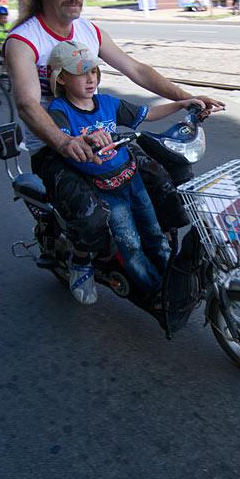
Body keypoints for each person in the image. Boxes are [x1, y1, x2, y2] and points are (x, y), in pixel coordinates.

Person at [3, 0, 224, 303]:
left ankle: (160, 251)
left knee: (166, 181)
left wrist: (185, 97)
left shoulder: (88, 30)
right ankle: (81, 260)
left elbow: (136, 69)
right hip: (56, 149)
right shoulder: (23, 41)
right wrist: (63, 142)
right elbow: (27, 104)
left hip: (102, 138)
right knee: (92, 220)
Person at [45, 40, 205, 302]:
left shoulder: (107, 103)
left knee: (154, 233)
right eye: (81, 73)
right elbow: (62, 139)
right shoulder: (59, 110)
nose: (90, 78)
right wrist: (84, 140)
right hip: (106, 191)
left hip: (133, 181)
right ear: (61, 78)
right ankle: (156, 291)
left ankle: (172, 280)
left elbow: (148, 114)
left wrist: (181, 103)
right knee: (130, 245)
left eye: (93, 71)